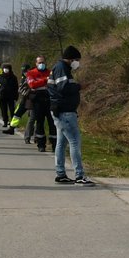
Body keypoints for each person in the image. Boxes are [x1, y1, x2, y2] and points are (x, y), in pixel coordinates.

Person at [49, 44, 94, 186]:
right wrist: (79, 86)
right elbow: (63, 88)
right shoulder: (62, 68)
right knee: (74, 142)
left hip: (61, 110)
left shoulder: (60, 68)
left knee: (61, 143)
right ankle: (79, 175)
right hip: (65, 112)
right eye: (77, 60)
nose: (77, 63)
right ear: (70, 59)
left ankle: (60, 173)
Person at [23, 56, 53, 152]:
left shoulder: (50, 72)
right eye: (39, 62)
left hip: (49, 99)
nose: (41, 64)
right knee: (39, 122)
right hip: (37, 100)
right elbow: (32, 84)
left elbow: (53, 84)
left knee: (52, 122)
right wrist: (45, 80)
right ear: (36, 63)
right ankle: (41, 144)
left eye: (43, 62)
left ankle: (54, 144)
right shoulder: (30, 73)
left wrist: (40, 82)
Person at [0, 63, 21, 134]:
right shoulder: (1, 76)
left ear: (10, 69)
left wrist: (16, 96)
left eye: (7, 68)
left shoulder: (13, 77)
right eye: (4, 68)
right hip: (2, 96)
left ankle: (12, 123)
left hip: (11, 96)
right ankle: (5, 122)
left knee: (12, 110)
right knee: (3, 110)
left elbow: (16, 87)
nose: (5, 70)